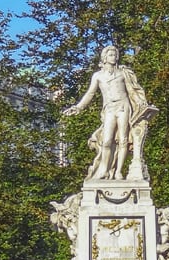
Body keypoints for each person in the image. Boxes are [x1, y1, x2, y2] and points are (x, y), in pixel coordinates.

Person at [63, 45, 156, 180]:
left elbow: (131, 90)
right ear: (104, 57)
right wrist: (78, 107)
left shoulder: (123, 73)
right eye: (111, 55)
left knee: (123, 139)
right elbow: (90, 93)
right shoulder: (98, 76)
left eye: (115, 55)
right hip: (109, 109)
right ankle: (104, 170)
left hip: (123, 107)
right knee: (107, 141)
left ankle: (118, 171)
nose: (114, 57)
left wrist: (141, 102)